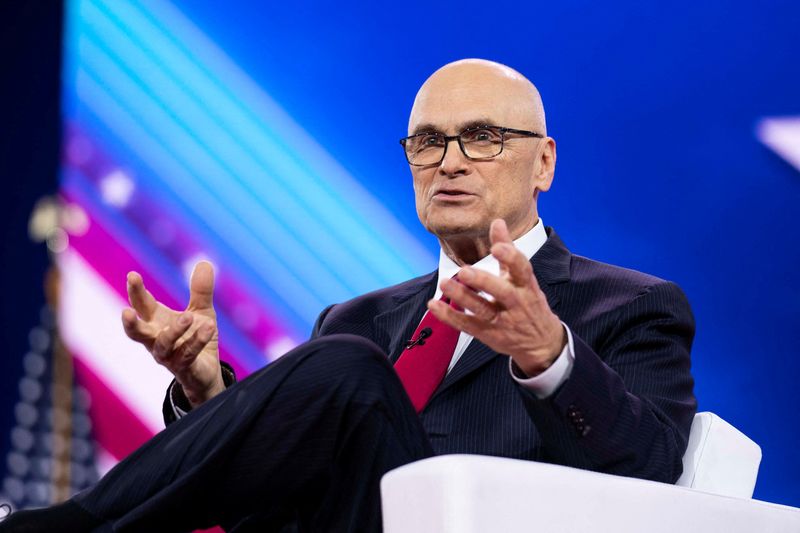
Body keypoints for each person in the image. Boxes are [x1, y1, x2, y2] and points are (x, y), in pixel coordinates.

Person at [0, 59, 696, 532]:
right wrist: (208, 390)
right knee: (347, 360)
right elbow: (279, 486)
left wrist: (550, 355)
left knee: (349, 368)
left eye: (481, 138)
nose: (448, 161)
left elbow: (652, 476)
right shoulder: (358, 316)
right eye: (426, 141)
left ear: (543, 160)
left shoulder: (629, 306)